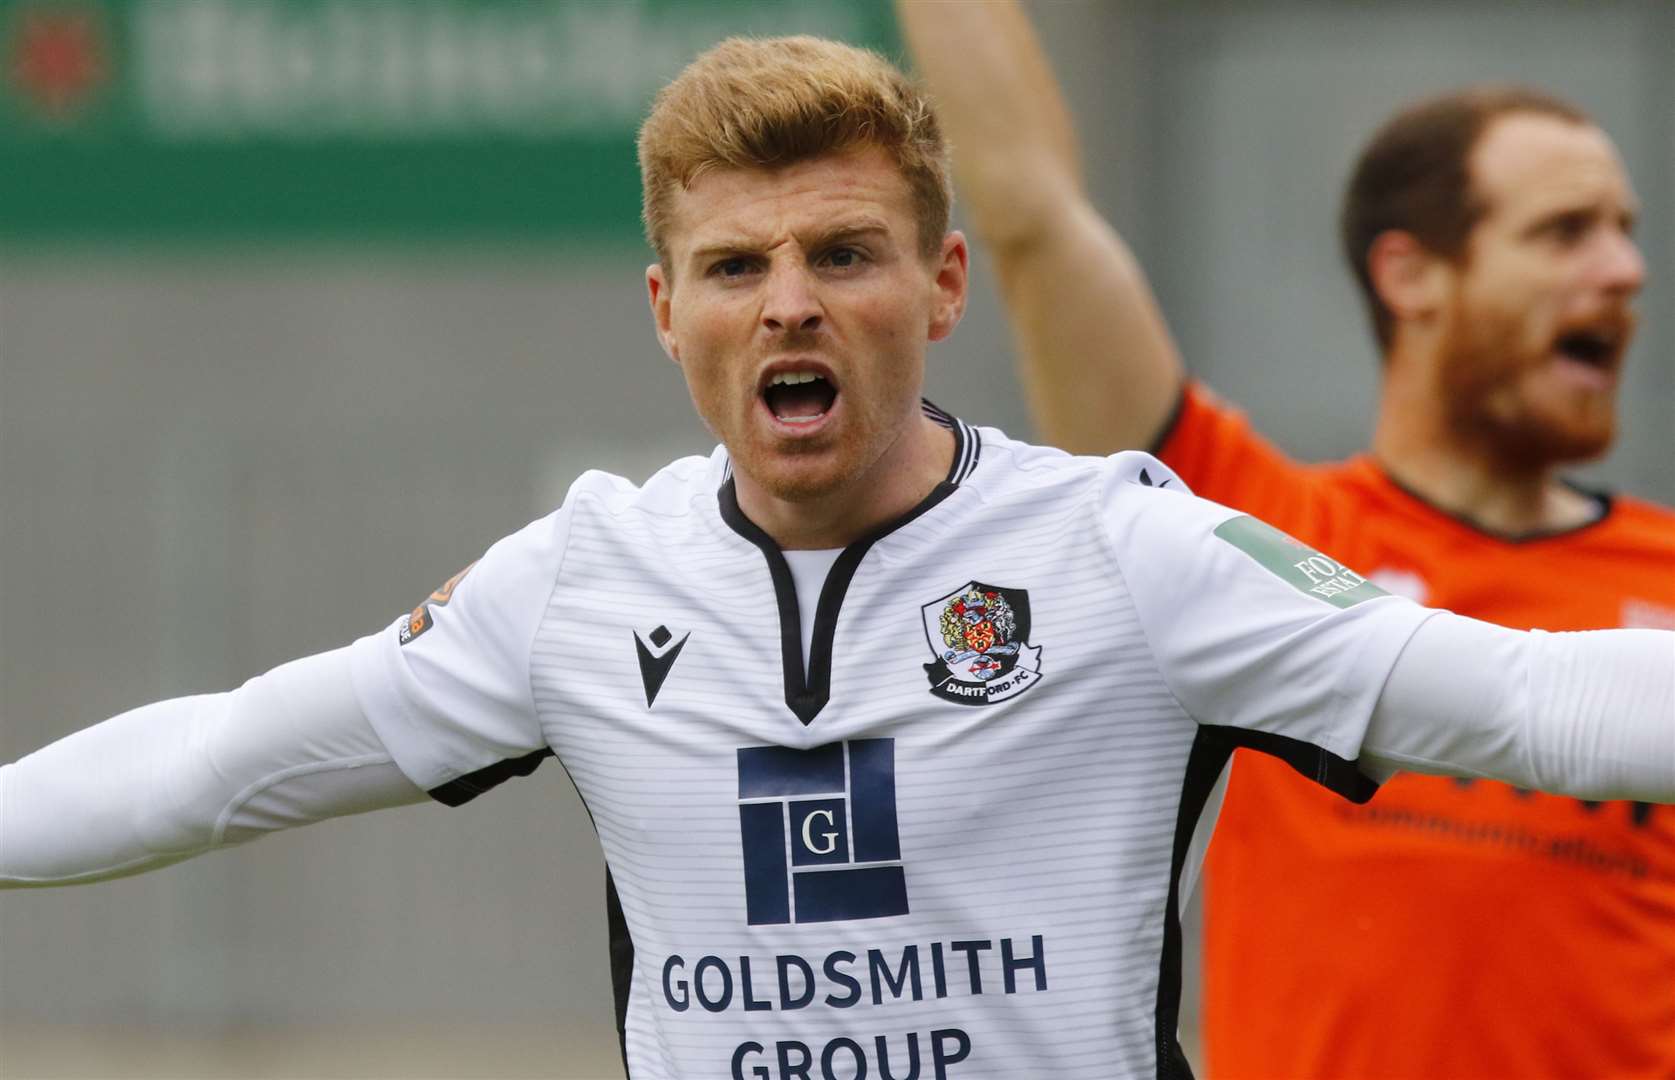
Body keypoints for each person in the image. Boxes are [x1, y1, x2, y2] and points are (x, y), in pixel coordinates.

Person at [3, 33, 1673, 1080]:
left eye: (844, 252)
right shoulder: (581, 584)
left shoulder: (1127, 552)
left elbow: (1537, 703)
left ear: (943, 289)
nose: (787, 299)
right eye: (734, 266)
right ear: (668, 316)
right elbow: (215, 763)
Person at [897, 2, 1675, 1077]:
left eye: (1625, 230)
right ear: (1409, 277)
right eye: (1564, 231)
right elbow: (1031, 219)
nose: (1625, 270)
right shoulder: (1247, 540)